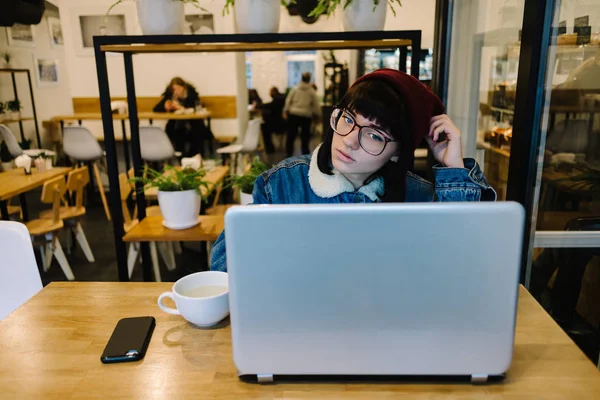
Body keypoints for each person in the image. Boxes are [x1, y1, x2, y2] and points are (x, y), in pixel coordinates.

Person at [210, 69, 496, 272]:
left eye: (374, 135)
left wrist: (455, 170)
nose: (348, 139)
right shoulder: (282, 184)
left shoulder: (418, 196)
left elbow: (466, 267)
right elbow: (223, 267)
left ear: (399, 151)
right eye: (347, 119)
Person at [153, 77, 213, 157]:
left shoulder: (192, 95)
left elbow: (196, 110)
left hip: (194, 127)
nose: (176, 92)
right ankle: (181, 157)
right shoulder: (171, 96)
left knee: (198, 132)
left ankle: (191, 156)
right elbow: (156, 109)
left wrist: (181, 108)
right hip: (177, 128)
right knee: (176, 132)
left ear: (184, 87)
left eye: (178, 89)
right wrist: (164, 106)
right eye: (174, 90)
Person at [284, 72, 321, 157]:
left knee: (291, 135)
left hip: (294, 114)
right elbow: (316, 104)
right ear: (309, 79)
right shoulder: (311, 91)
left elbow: (288, 100)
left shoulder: (295, 89)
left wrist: (286, 110)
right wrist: (318, 114)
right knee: (305, 136)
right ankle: (305, 154)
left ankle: (288, 153)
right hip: (306, 115)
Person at [259, 86, 286, 154]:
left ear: (273, 92)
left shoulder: (277, 99)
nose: (269, 93)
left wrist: (260, 105)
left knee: (264, 128)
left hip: (276, 122)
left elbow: (270, 106)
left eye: (270, 92)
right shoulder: (281, 97)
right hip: (281, 121)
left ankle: (270, 149)